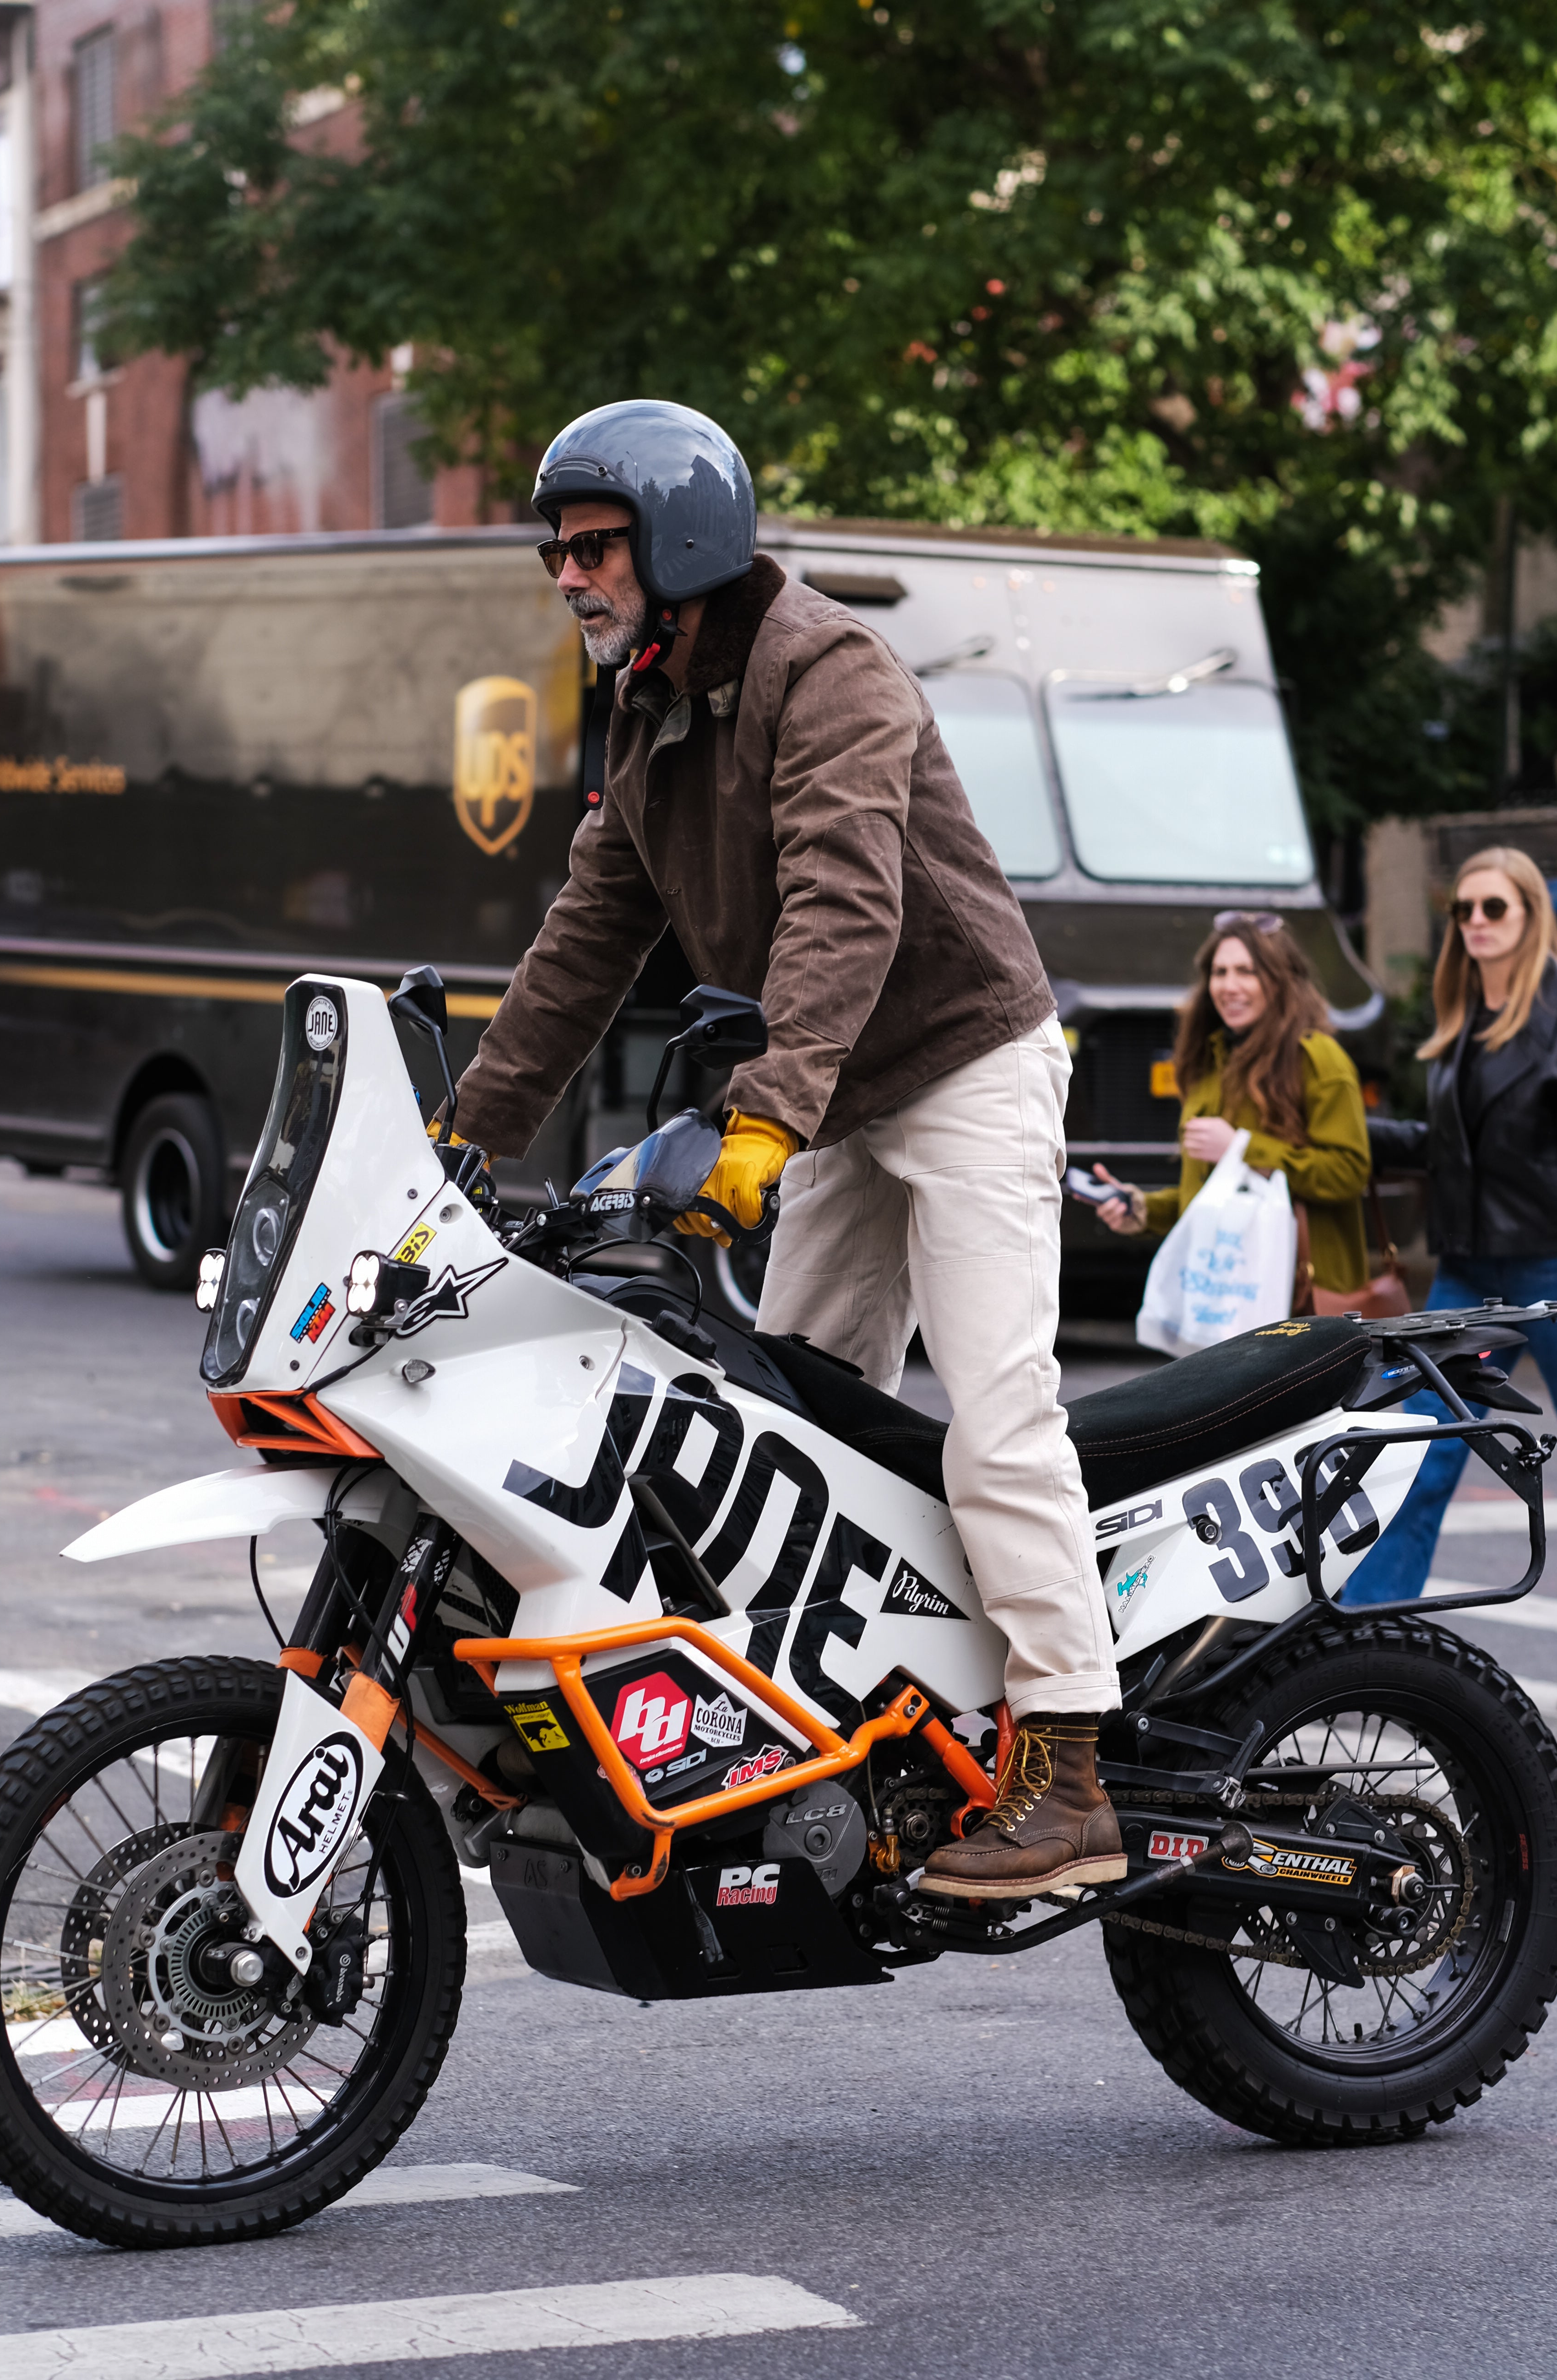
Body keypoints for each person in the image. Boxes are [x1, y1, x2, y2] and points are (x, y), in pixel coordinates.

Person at [448, 396, 1124, 1898]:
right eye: (557, 552)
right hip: (834, 1095)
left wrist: (762, 1124)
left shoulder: (831, 672)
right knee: (789, 1429)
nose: (568, 575)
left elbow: (843, 909)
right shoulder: (644, 709)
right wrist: (462, 1139)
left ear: (684, 541)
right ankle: (874, 1730)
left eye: (595, 546)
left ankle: (1069, 1770)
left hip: (962, 1062)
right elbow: (583, 945)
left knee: (998, 1416)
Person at [1337, 846, 1557, 1709]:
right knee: (1419, 1446)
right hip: (1473, 1272)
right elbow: (1456, 1151)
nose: (1475, 922)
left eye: (1493, 908)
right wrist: (1354, 1138)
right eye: (1464, 909)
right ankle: (1361, 1646)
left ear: (1529, 916)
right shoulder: (1462, 1016)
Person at [1091, 913, 1373, 1303]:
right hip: (1227, 1302)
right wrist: (1141, 1209)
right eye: (1220, 972)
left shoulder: (1318, 1058)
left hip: (1302, 1305)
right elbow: (1211, 1199)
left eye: (1248, 972)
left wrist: (1241, 1148)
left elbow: (1348, 1173)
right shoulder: (1208, 1065)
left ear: (1281, 980)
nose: (1230, 986)